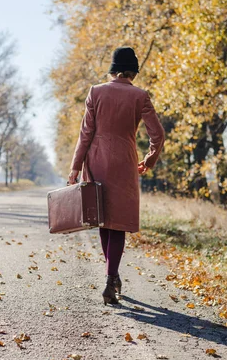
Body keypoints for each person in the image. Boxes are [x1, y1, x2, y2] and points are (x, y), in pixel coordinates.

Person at [67, 46, 165, 305]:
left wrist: (75, 167)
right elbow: (158, 135)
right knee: (118, 222)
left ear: (112, 69)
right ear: (132, 72)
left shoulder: (95, 92)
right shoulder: (140, 96)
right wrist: (149, 159)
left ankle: (112, 276)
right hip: (124, 161)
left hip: (96, 160)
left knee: (102, 218)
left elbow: (85, 134)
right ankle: (112, 277)